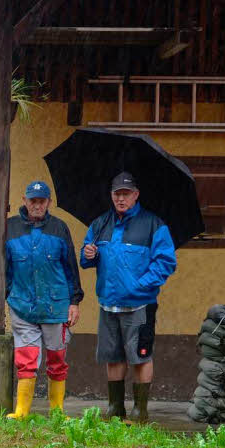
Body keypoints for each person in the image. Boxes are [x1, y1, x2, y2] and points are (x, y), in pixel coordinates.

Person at [80, 172, 177, 423]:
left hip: (140, 305)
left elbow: (166, 263)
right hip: (107, 304)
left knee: (140, 355)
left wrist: (139, 285)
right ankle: (115, 408)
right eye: (116, 194)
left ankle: (140, 411)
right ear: (111, 195)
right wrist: (89, 253)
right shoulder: (100, 223)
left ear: (136, 195)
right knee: (113, 355)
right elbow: (85, 258)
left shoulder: (154, 225)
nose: (121, 198)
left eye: (126, 194)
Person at [4, 180, 84, 418]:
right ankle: (21, 412)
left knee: (57, 359)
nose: (37, 205)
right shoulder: (10, 228)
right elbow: (3, 267)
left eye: (41, 201)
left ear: (49, 202)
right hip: (22, 305)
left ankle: (57, 412)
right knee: (26, 359)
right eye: (32, 200)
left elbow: (71, 267)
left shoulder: (60, 228)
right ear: (24, 201)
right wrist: (7, 296)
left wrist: (74, 302)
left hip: (55, 306)